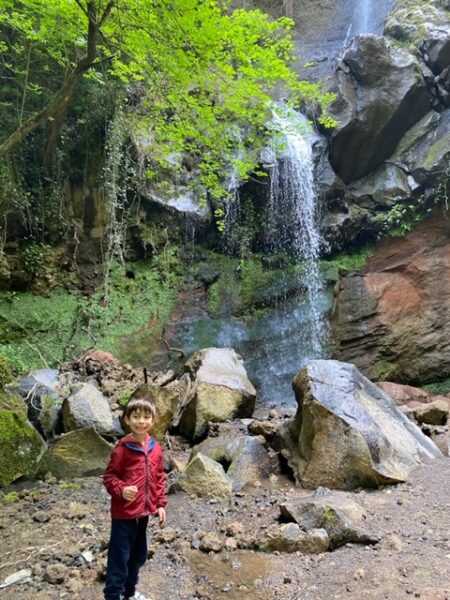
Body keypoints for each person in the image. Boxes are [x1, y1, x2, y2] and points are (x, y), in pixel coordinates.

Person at [103, 397, 167, 600]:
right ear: (127, 420)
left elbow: (158, 478)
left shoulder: (155, 447)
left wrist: (160, 504)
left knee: (138, 555)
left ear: (154, 420)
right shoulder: (122, 448)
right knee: (119, 558)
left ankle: (129, 593)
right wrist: (121, 489)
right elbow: (109, 477)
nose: (141, 421)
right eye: (136, 417)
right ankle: (113, 595)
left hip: (144, 512)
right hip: (124, 514)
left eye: (146, 417)